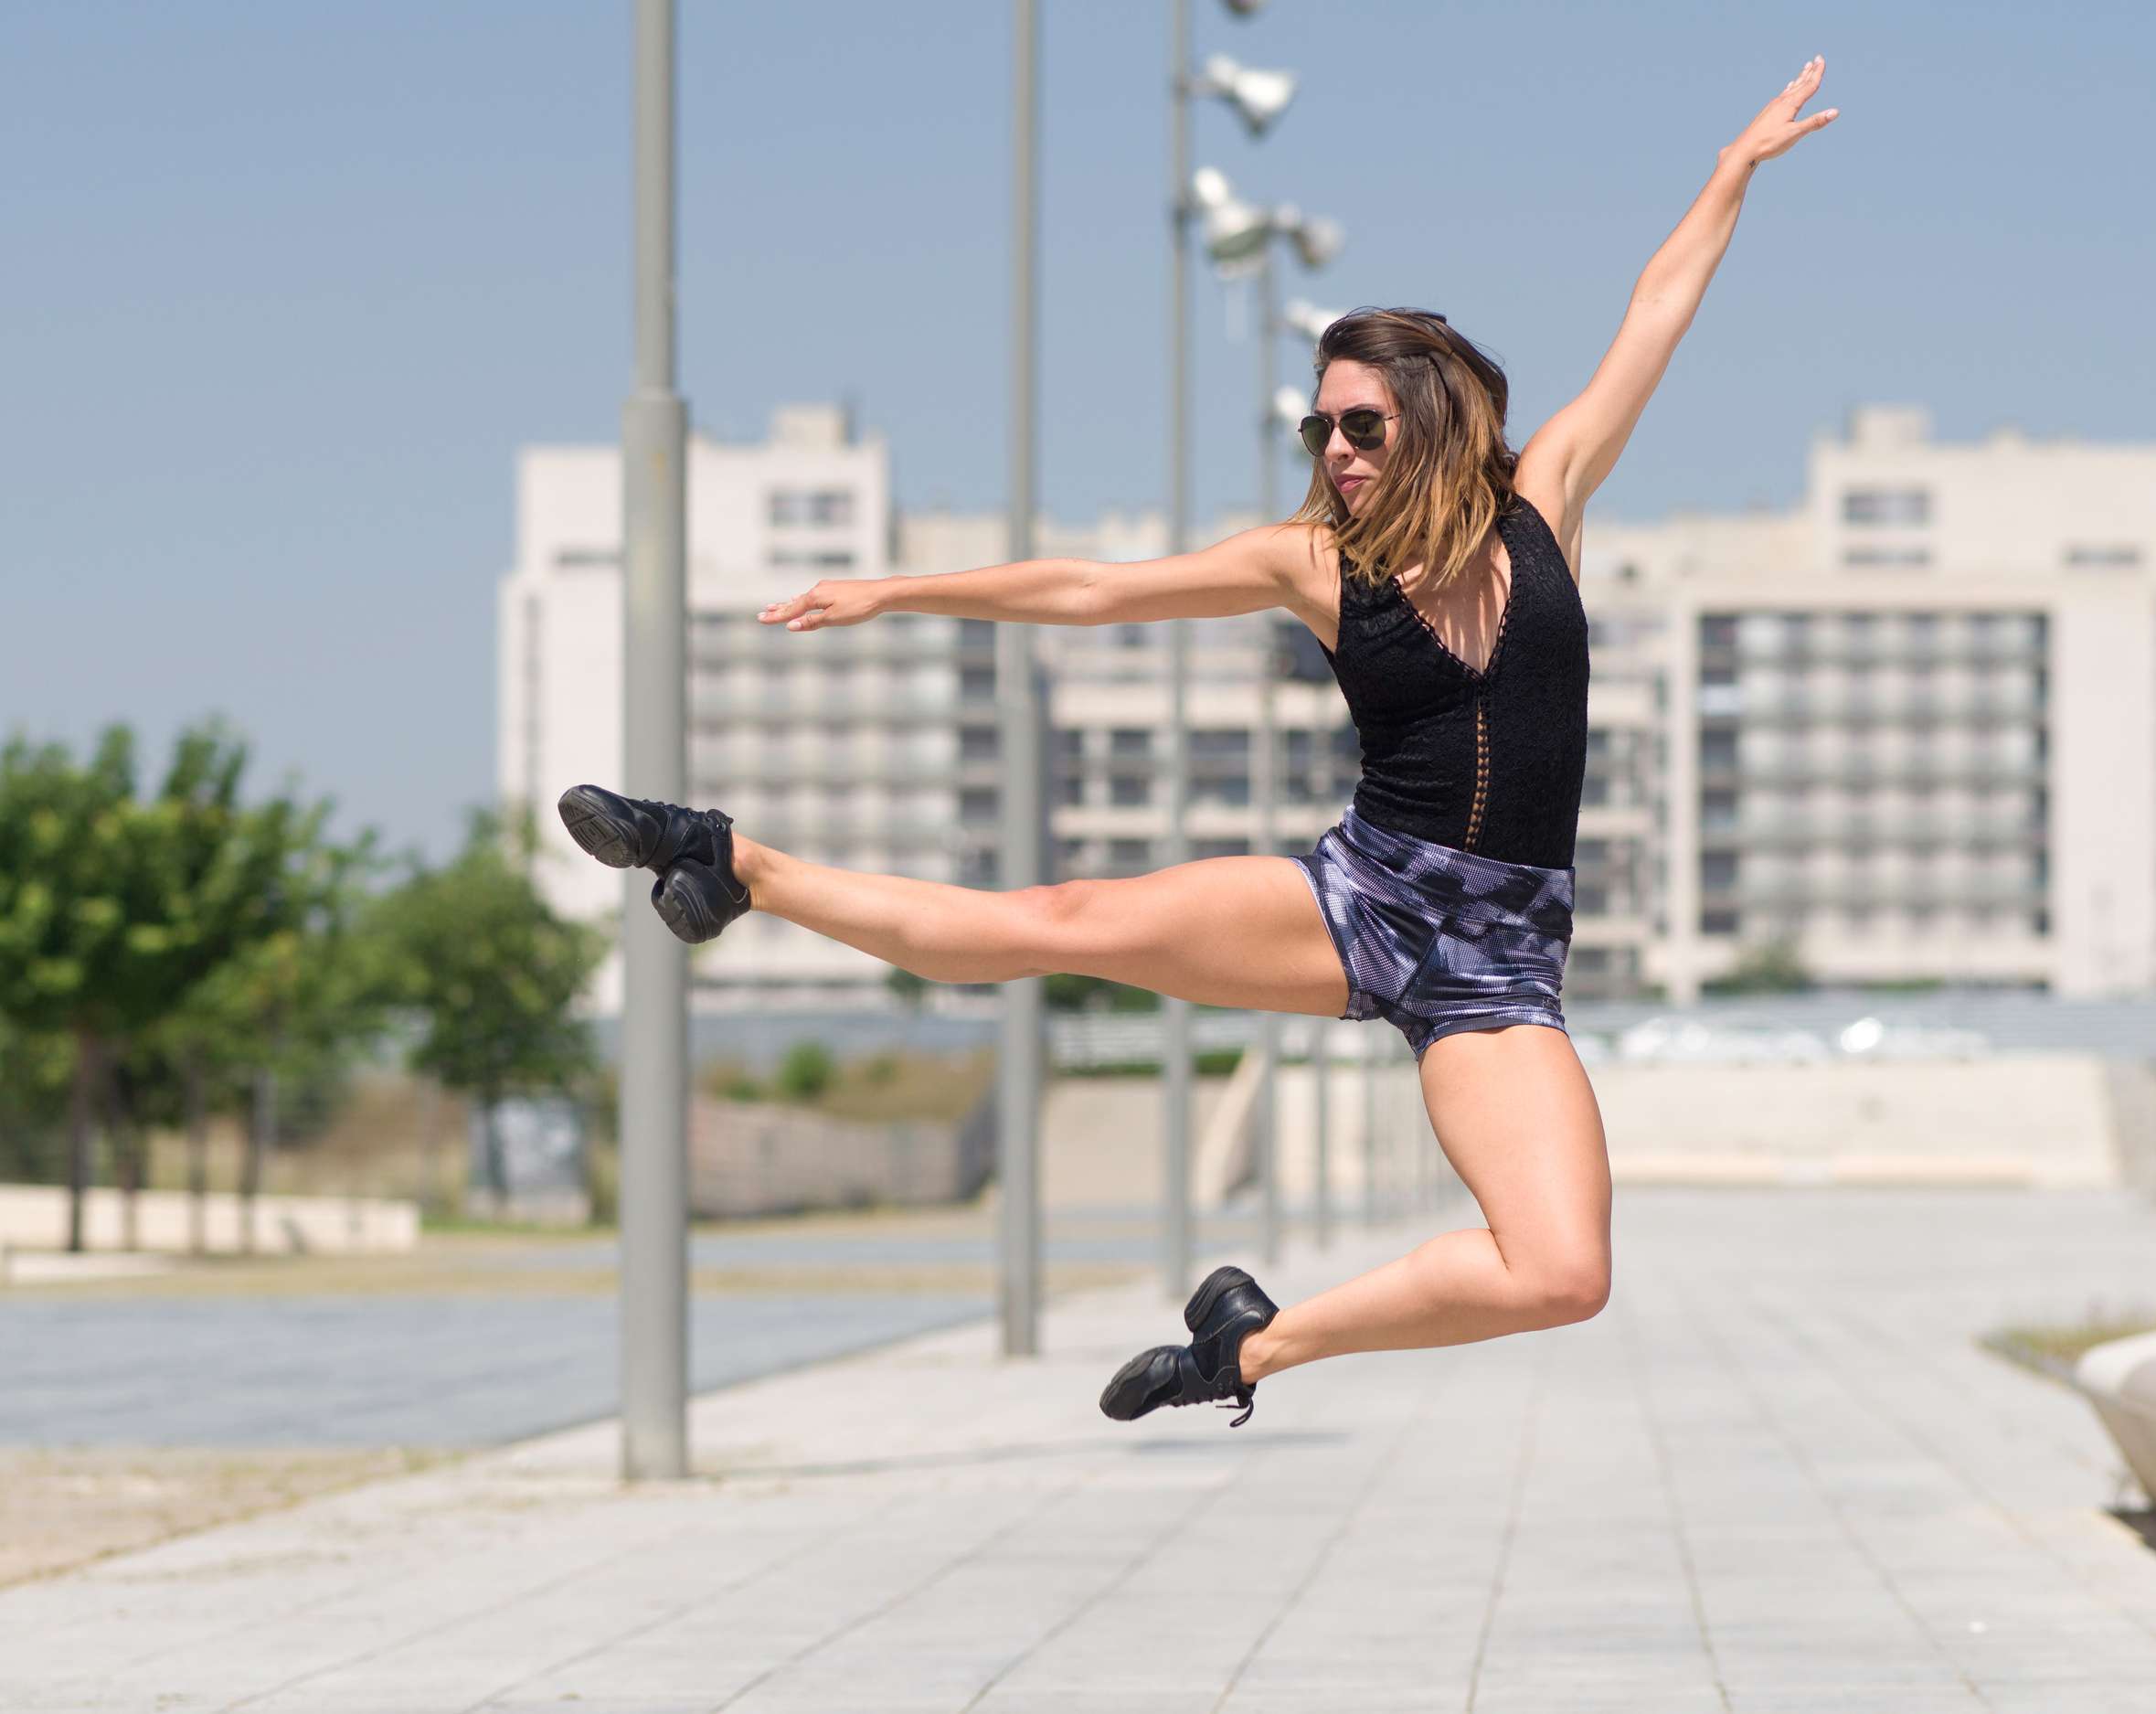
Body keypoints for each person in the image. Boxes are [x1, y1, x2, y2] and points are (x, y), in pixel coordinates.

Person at [559, 59, 1840, 1428]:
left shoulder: (1547, 503)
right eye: (1319, 426)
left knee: (1563, 1272)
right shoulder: (1312, 563)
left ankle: (1248, 1350)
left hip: (1503, 961)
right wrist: (898, 586)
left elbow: (1655, 313)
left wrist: (1730, 172)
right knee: (1055, 920)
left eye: (1361, 424)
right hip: (1364, 898)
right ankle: (731, 857)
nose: (1335, 448)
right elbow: (1093, 593)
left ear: (1436, 422)